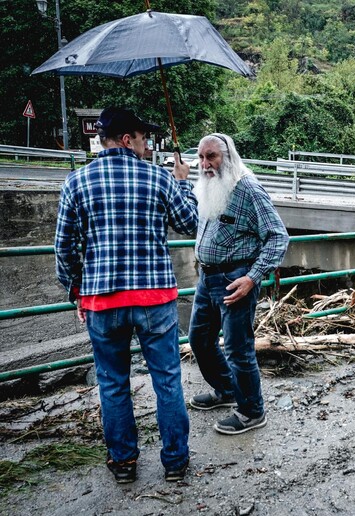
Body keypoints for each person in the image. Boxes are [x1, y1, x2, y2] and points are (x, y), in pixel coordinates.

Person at [54, 107, 198, 484]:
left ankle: (123, 463)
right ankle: (176, 463)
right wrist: (182, 181)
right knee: (167, 379)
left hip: (103, 300)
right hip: (155, 300)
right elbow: (191, 223)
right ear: (125, 139)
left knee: (113, 382)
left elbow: (64, 248)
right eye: (144, 138)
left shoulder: (77, 181)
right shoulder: (158, 179)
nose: (148, 145)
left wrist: (77, 290)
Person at [187, 133, 288, 435]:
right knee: (199, 340)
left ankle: (251, 411)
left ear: (227, 157)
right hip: (208, 277)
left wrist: (252, 277)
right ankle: (227, 389)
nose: (205, 164)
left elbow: (277, 236)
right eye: (202, 158)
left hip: (235, 279)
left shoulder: (247, 188)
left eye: (212, 157)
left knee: (237, 348)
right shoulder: (209, 188)